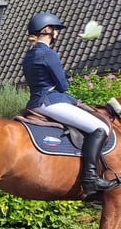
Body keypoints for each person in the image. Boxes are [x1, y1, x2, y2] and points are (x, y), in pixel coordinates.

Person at [22, 12, 120, 197]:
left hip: (35, 102)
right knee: (100, 128)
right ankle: (90, 178)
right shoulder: (48, 54)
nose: (58, 34)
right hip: (50, 102)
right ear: (48, 30)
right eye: (56, 30)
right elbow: (63, 85)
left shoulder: (29, 55)